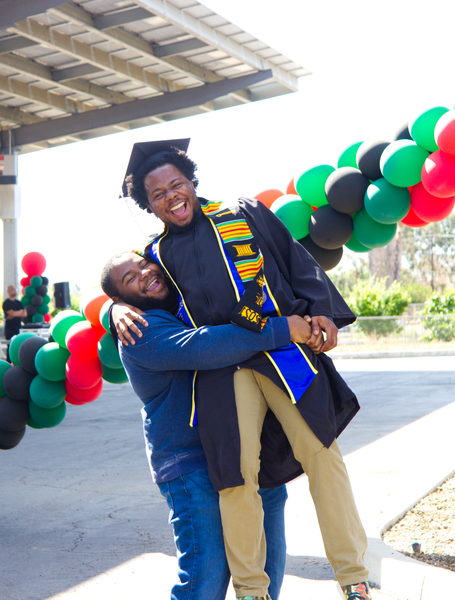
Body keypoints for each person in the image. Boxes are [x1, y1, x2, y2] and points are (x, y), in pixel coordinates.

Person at [113, 139, 372, 600]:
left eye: (177, 184)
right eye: (158, 195)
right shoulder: (157, 256)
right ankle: (253, 591)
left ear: (191, 181)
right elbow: (133, 287)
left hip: (283, 353)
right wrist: (112, 309)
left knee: (323, 454)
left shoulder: (242, 212)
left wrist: (322, 312)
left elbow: (297, 261)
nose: (172, 197)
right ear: (148, 206)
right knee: (235, 476)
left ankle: (353, 579)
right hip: (224, 371)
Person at [101, 251, 313, 600]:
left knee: (263, 574)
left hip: (246, 451)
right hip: (190, 464)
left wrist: (108, 308)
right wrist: (281, 329)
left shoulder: (185, 301)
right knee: (205, 581)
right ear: (121, 299)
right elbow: (207, 346)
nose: (145, 272)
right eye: (130, 278)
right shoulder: (141, 329)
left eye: (143, 263)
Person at [3, 285, 26, 358]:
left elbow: (25, 314)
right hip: (10, 329)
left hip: (18, 327)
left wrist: (15, 313)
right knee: (10, 347)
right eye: (12, 289)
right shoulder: (6, 303)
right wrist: (20, 312)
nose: (14, 291)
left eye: (15, 289)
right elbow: (11, 313)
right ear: (8, 291)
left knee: (19, 346)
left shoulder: (19, 303)